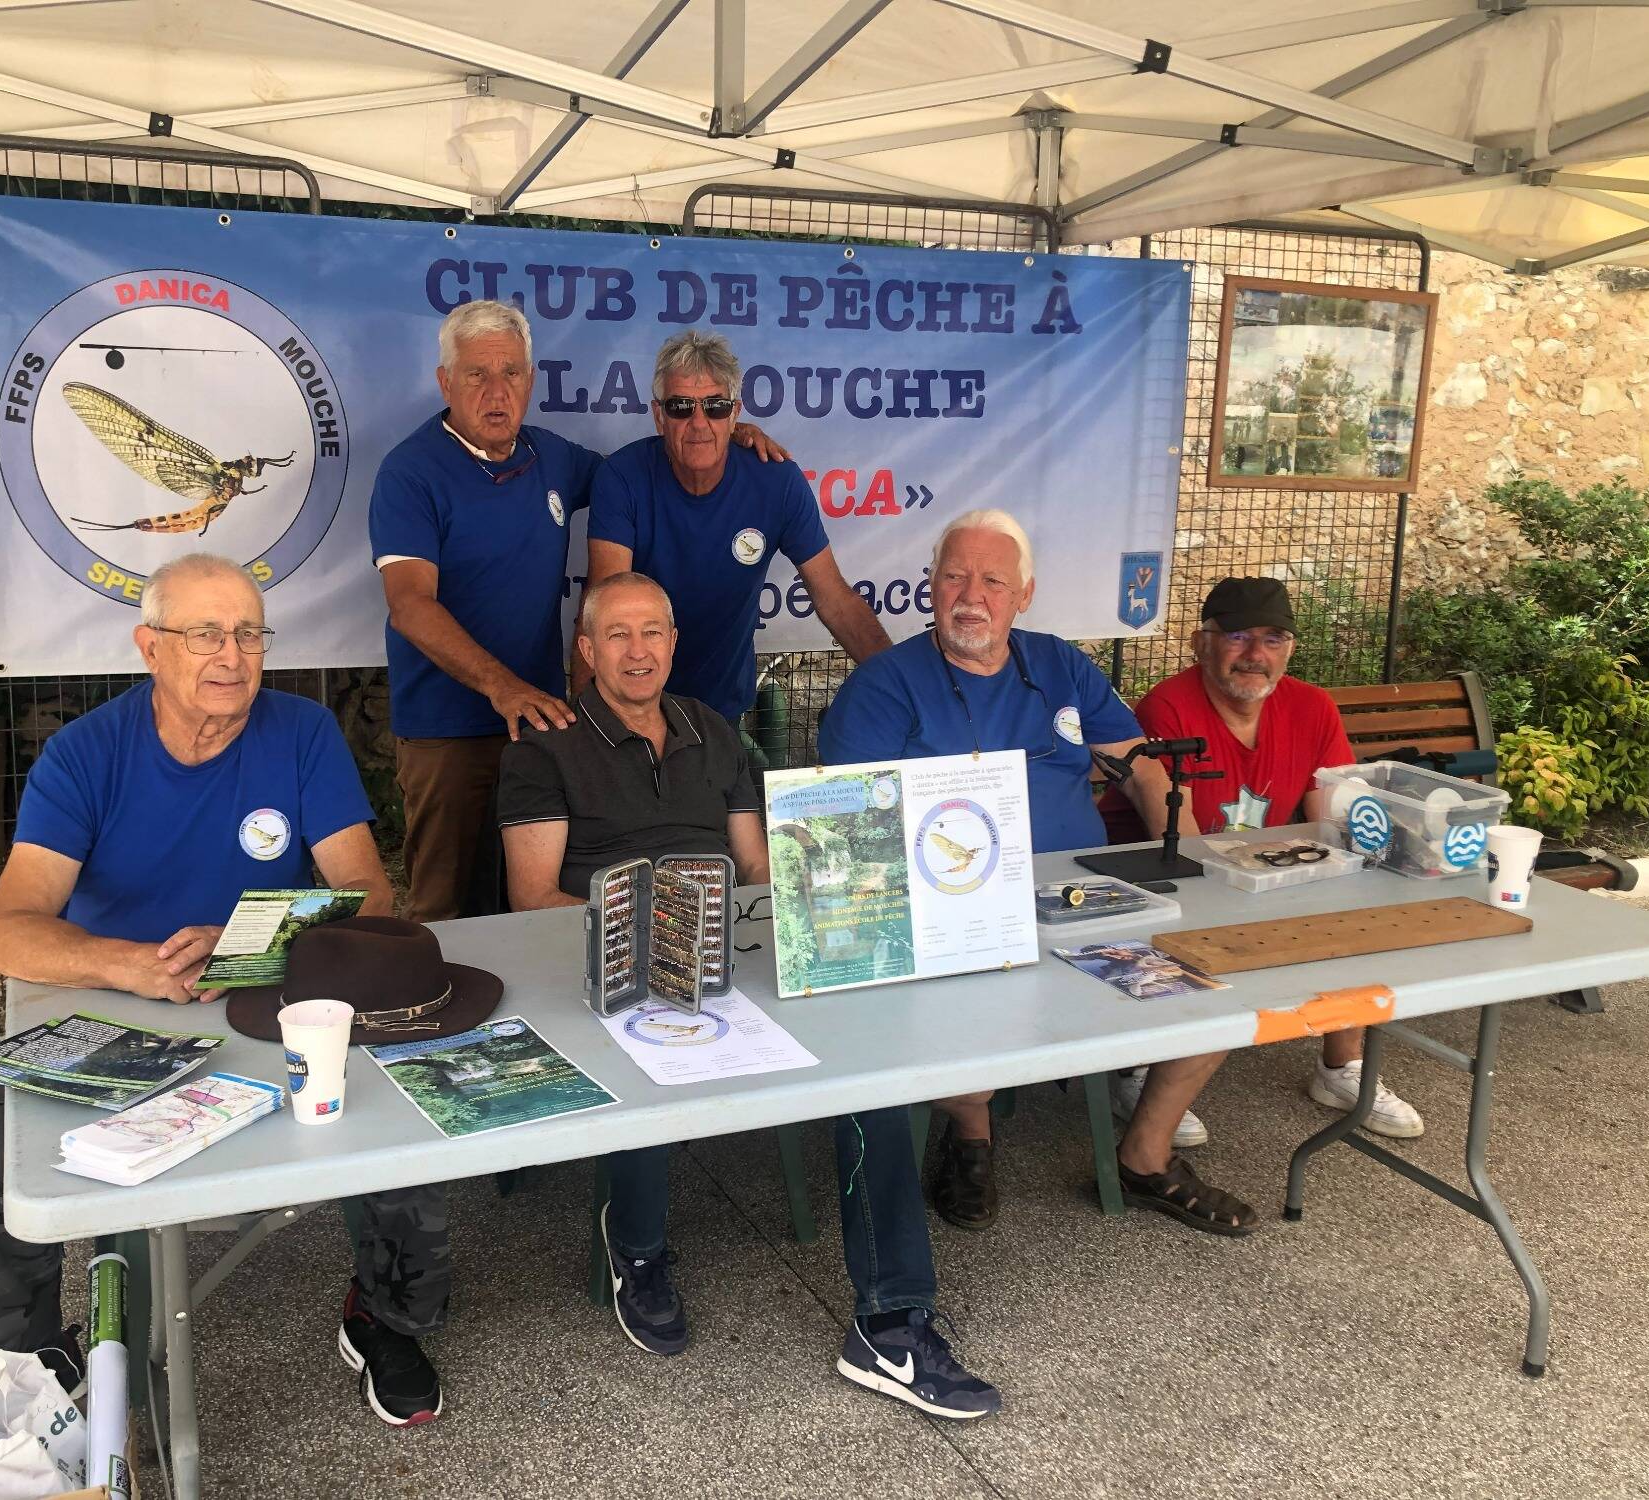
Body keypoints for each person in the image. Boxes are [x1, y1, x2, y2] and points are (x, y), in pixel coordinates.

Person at [0, 557, 441, 1494]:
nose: (233, 655)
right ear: (150, 648)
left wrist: (257, 942)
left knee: (409, 1113)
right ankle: (27, 1366)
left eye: (250, 633)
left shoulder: (303, 733)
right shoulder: (86, 754)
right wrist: (125, 960)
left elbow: (367, 894)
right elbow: (3, 935)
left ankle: (386, 1317)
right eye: (206, 634)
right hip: (118, 1015)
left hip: (272, 997)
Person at [497, 572, 1001, 1420]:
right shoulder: (542, 750)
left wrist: (803, 920)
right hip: (610, 956)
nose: (638, 651)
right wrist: (656, 928)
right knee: (651, 1041)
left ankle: (891, 1321)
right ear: (586, 650)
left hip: (736, 950)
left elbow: (760, 869)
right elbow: (533, 896)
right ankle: (639, 1250)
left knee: (867, 1069)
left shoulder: (714, 734)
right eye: (616, 635)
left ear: (673, 642)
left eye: (653, 631)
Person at [818, 510, 1263, 1238]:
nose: (972, 595)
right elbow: (848, 831)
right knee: (964, 1018)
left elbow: (1140, 765)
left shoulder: (1058, 665)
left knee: (1214, 984)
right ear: (929, 587)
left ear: (1023, 595)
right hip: (950, 909)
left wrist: (1184, 868)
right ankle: (970, 1135)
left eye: (993, 580)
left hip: (1079, 898)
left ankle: (1144, 1158)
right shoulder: (883, 687)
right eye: (955, 575)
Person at [370, 303, 787, 921]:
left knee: (534, 906)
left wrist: (728, 436)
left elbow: (647, 474)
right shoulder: (410, 472)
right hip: (449, 730)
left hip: (545, 726)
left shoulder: (555, 458)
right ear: (445, 382)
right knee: (448, 909)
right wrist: (503, 687)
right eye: (477, 374)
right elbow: (409, 606)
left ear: (531, 381)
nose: (496, 391)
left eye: (511, 373)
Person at [1103, 576, 1424, 1141]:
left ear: (1290, 649)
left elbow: (1334, 811)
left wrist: (1357, 859)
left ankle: (1340, 1067)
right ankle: (1139, 1068)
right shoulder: (1168, 706)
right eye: (1238, 637)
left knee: (1349, 896)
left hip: (1268, 868)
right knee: (1181, 914)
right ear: (1201, 643)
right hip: (1165, 872)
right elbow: (1175, 839)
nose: (1256, 655)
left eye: (1273, 639)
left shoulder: (1312, 707)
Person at [580, 330, 891, 726]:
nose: (698, 423)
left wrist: (902, 686)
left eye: (714, 406)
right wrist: (590, 732)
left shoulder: (777, 482)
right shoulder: (622, 478)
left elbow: (835, 598)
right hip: (631, 709)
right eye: (680, 407)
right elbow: (603, 609)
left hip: (720, 711)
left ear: (734, 413)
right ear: (659, 416)